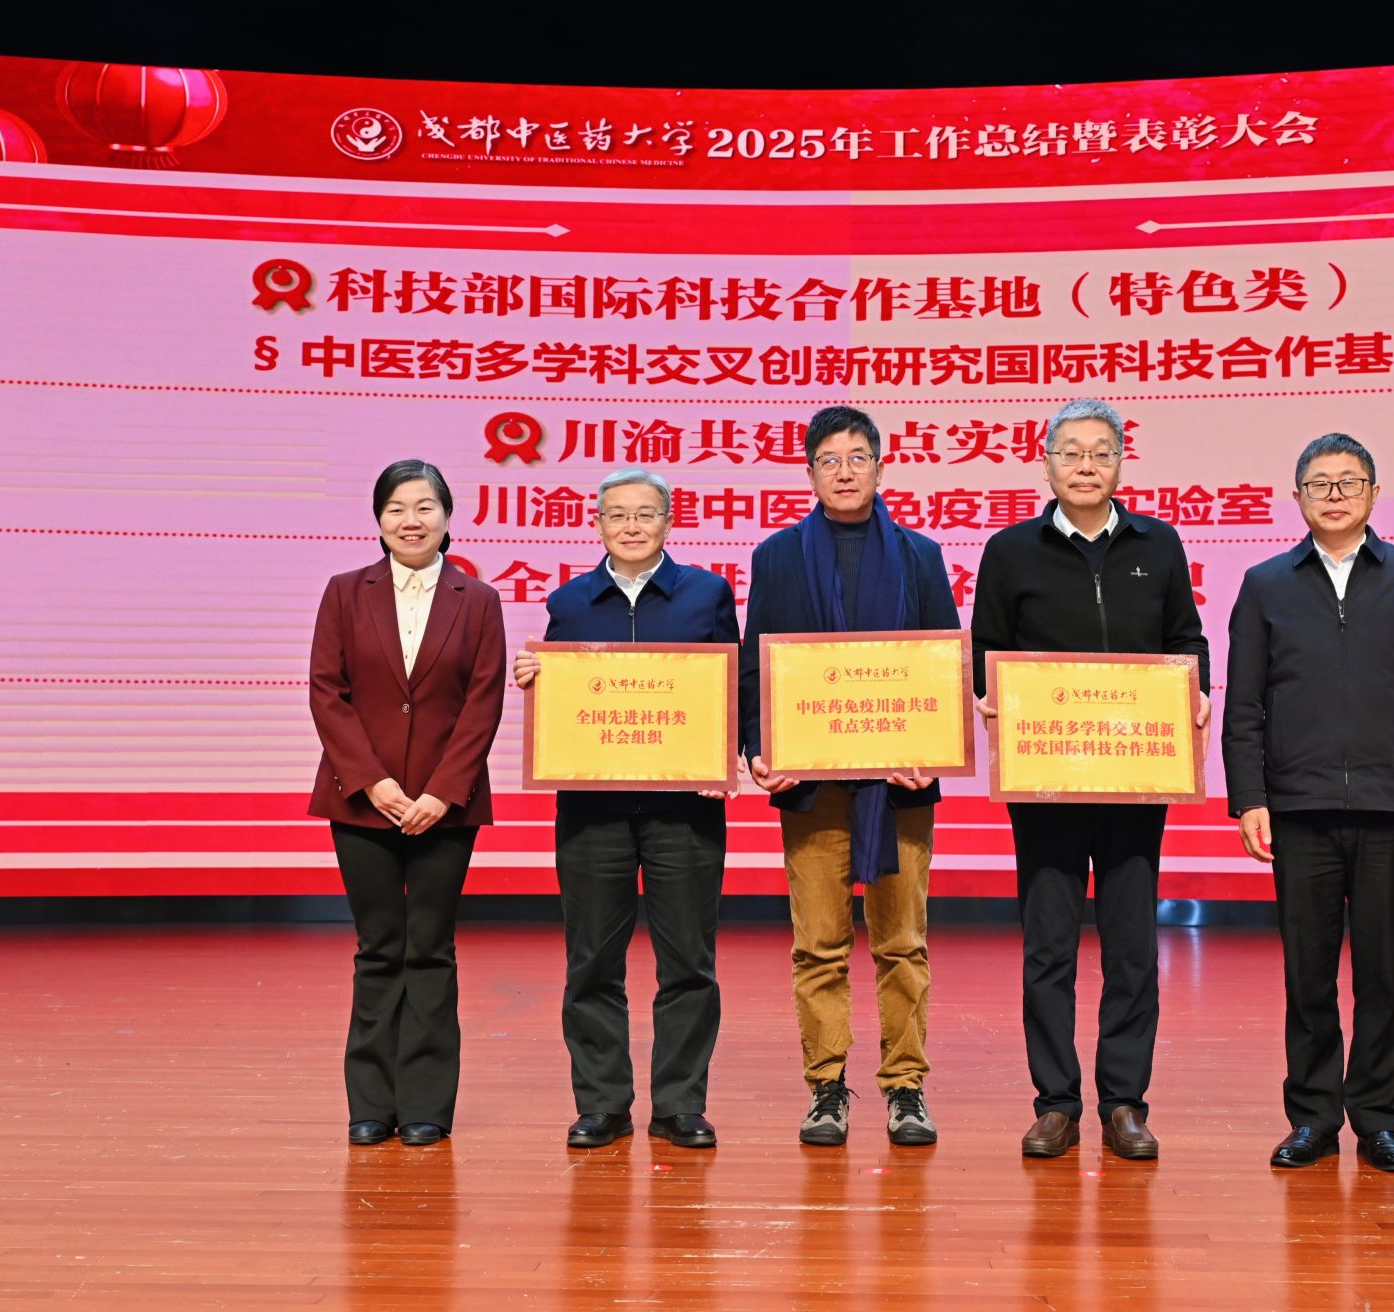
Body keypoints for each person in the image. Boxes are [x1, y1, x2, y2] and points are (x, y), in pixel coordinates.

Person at [1222, 433, 1394, 1174]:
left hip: (1392, 807)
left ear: (1373, 493)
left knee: (1383, 973)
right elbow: (1245, 705)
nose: (1334, 495)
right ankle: (1312, 1118)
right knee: (1308, 975)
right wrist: (1250, 798)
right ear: (1297, 497)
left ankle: (1380, 1120)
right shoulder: (1266, 584)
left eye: (1348, 482)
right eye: (1319, 484)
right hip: (1297, 809)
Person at [971, 398, 1210, 1161]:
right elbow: (986, 651)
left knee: (1132, 945)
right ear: (1046, 462)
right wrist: (989, 696)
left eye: (1100, 452)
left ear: (1120, 464)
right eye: (1070, 451)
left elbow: (1187, 639)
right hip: (1046, 780)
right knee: (1049, 946)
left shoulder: (1157, 545)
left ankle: (1124, 1102)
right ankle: (1056, 1103)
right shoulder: (1011, 551)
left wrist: (1196, 691)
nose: (1085, 465)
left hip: (1135, 776)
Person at [740, 405, 959, 1148]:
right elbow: (756, 665)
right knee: (819, 946)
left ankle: (906, 1087)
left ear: (879, 467)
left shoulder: (921, 556)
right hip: (810, 787)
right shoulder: (776, 556)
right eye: (829, 460)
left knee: (903, 942)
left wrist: (933, 749)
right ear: (810, 473)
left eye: (857, 458)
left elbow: (943, 664)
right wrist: (757, 748)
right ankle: (826, 1087)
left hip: (900, 787)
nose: (844, 471)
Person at [513, 469, 739, 1150]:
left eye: (645, 513)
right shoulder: (570, 601)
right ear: (598, 524)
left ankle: (680, 1105)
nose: (632, 526)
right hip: (593, 811)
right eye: (617, 514)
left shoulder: (706, 593)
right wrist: (536, 679)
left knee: (689, 964)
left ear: (669, 522)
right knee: (591, 964)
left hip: (686, 811)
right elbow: (565, 698)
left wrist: (725, 754)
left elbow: (733, 683)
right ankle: (602, 1104)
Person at [309, 459, 507, 1148]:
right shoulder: (345, 592)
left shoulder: (477, 599)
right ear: (379, 519)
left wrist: (442, 792)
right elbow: (327, 692)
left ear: (448, 517)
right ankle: (371, 1103)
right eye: (397, 508)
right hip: (361, 800)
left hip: (444, 806)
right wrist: (373, 781)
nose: (411, 520)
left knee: (429, 947)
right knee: (378, 947)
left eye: (425, 507)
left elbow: (483, 701)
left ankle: (425, 1104)